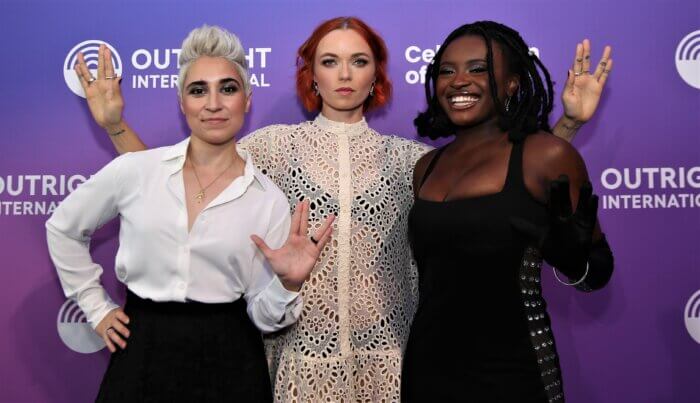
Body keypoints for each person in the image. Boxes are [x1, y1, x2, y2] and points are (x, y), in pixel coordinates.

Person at [76, 17, 611, 402]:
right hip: (298, 360)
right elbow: (171, 179)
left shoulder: (417, 162)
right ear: (312, 75)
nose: (345, 74)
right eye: (330, 61)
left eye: (359, 61)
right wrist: (115, 127)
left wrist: (566, 127)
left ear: (377, 75)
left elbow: (506, 187)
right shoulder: (273, 148)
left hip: (397, 361)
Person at [47, 25, 333, 402]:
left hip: (232, 362)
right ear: (182, 103)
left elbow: (265, 317)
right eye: (198, 90)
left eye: (227, 89)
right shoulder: (136, 170)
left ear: (247, 100)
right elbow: (63, 229)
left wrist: (288, 284)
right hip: (142, 352)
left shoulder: (268, 200)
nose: (213, 103)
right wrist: (96, 308)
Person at [401, 21, 614, 402]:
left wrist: (570, 257)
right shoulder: (427, 167)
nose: (459, 80)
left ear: (513, 82)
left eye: (478, 68)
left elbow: (596, 273)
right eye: (447, 71)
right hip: (428, 371)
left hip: (514, 374)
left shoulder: (546, 156)